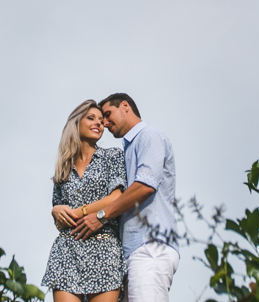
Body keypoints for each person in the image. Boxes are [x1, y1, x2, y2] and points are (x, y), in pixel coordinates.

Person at [71, 93, 179, 302]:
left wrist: (101, 216)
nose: (105, 123)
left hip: (150, 247)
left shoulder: (149, 136)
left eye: (108, 114)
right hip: (133, 254)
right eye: (102, 119)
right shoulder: (128, 149)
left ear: (125, 106)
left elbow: (145, 186)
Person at [42, 100, 127, 302]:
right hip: (67, 252)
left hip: (105, 251)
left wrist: (79, 212)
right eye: (91, 118)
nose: (99, 123)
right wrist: (55, 211)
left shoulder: (112, 156)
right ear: (76, 123)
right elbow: (59, 219)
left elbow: (116, 198)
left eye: (101, 120)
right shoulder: (63, 167)